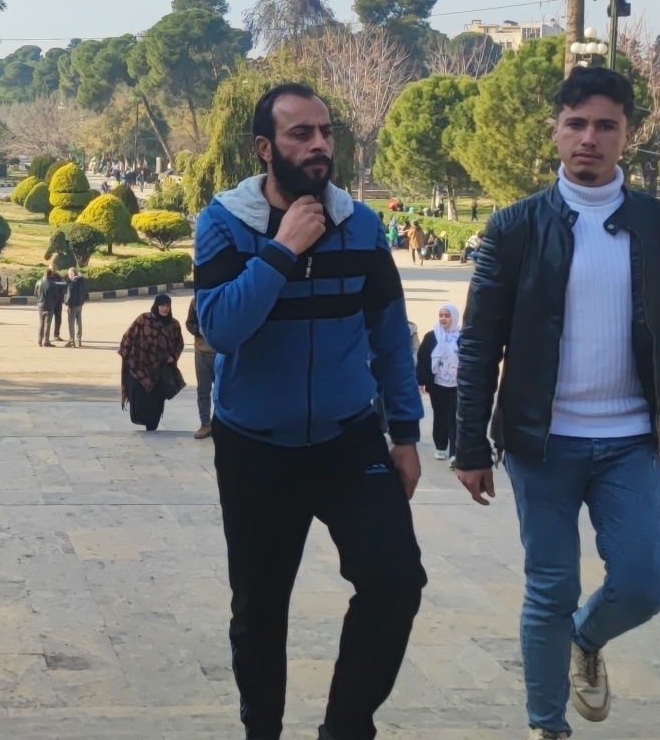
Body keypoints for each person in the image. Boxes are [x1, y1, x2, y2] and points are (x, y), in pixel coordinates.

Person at [453, 67, 660, 740]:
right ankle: (548, 726)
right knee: (550, 589)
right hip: (542, 444)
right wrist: (470, 445)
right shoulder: (515, 227)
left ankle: (584, 640)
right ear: (556, 132)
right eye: (576, 124)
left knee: (643, 586)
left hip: (630, 442)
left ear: (628, 134)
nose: (588, 138)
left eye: (605, 125)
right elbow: (479, 344)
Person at [193, 82, 424, 740]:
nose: (319, 145)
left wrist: (405, 433)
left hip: (348, 441)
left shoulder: (363, 225)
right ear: (265, 148)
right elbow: (220, 329)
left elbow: (389, 335)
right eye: (301, 134)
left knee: (395, 580)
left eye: (325, 132)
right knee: (259, 613)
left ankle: (345, 729)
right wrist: (282, 249)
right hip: (255, 449)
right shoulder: (223, 222)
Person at [117, 294, 183, 431]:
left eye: (167, 305)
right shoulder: (144, 319)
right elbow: (128, 337)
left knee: (155, 400)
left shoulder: (174, 324)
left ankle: (151, 424)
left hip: (160, 369)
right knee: (139, 397)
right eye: (162, 305)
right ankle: (141, 418)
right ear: (156, 306)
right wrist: (130, 355)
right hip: (140, 366)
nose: (164, 309)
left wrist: (173, 356)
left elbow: (179, 344)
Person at [416, 303, 461, 460]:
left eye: (447, 316)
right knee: (440, 416)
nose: (443, 319)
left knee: (455, 418)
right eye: (441, 315)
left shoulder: (463, 337)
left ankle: (454, 453)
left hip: (457, 386)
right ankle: (441, 447)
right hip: (437, 385)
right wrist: (420, 381)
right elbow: (422, 359)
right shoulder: (431, 336)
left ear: (454, 317)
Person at [185, 298, 216, 441]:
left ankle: (219, 424)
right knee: (203, 391)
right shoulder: (196, 301)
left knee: (222, 391)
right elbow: (189, 322)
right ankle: (205, 424)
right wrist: (198, 330)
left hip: (221, 352)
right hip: (201, 352)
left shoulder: (222, 296)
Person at [37, 265, 67, 347]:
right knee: (47, 323)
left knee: (53, 320)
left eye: (54, 268)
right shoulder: (51, 283)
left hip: (43, 304)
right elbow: (56, 294)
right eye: (51, 269)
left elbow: (35, 293)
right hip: (50, 304)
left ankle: (43, 339)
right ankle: (46, 341)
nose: (53, 270)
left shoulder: (40, 281)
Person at [64, 265, 88, 347]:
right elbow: (86, 294)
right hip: (80, 305)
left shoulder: (72, 284)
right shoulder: (82, 282)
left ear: (73, 274)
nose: (68, 276)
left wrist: (68, 305)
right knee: (79, 322)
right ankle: (79, 340)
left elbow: (70, 296)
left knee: (71, 323)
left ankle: (71, 341)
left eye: (69, 274)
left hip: (73, 306)